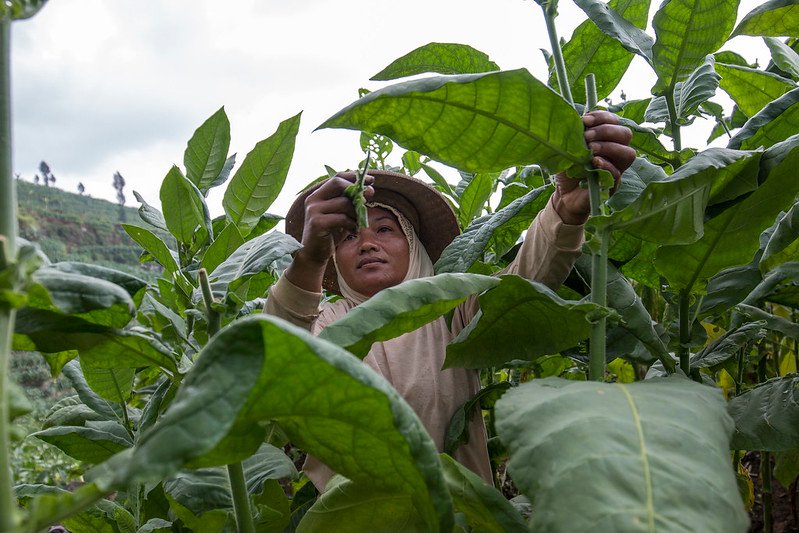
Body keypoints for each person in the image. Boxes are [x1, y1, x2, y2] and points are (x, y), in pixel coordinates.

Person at [265, 110, 635, 491]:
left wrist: (565, 209)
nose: (367, 243)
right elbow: (274, 364)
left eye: (385, 229)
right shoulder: (324, 324)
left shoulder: (450, 310)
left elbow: (524, 281)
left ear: (415, 244)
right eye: (346, 237)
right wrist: (309, 258)